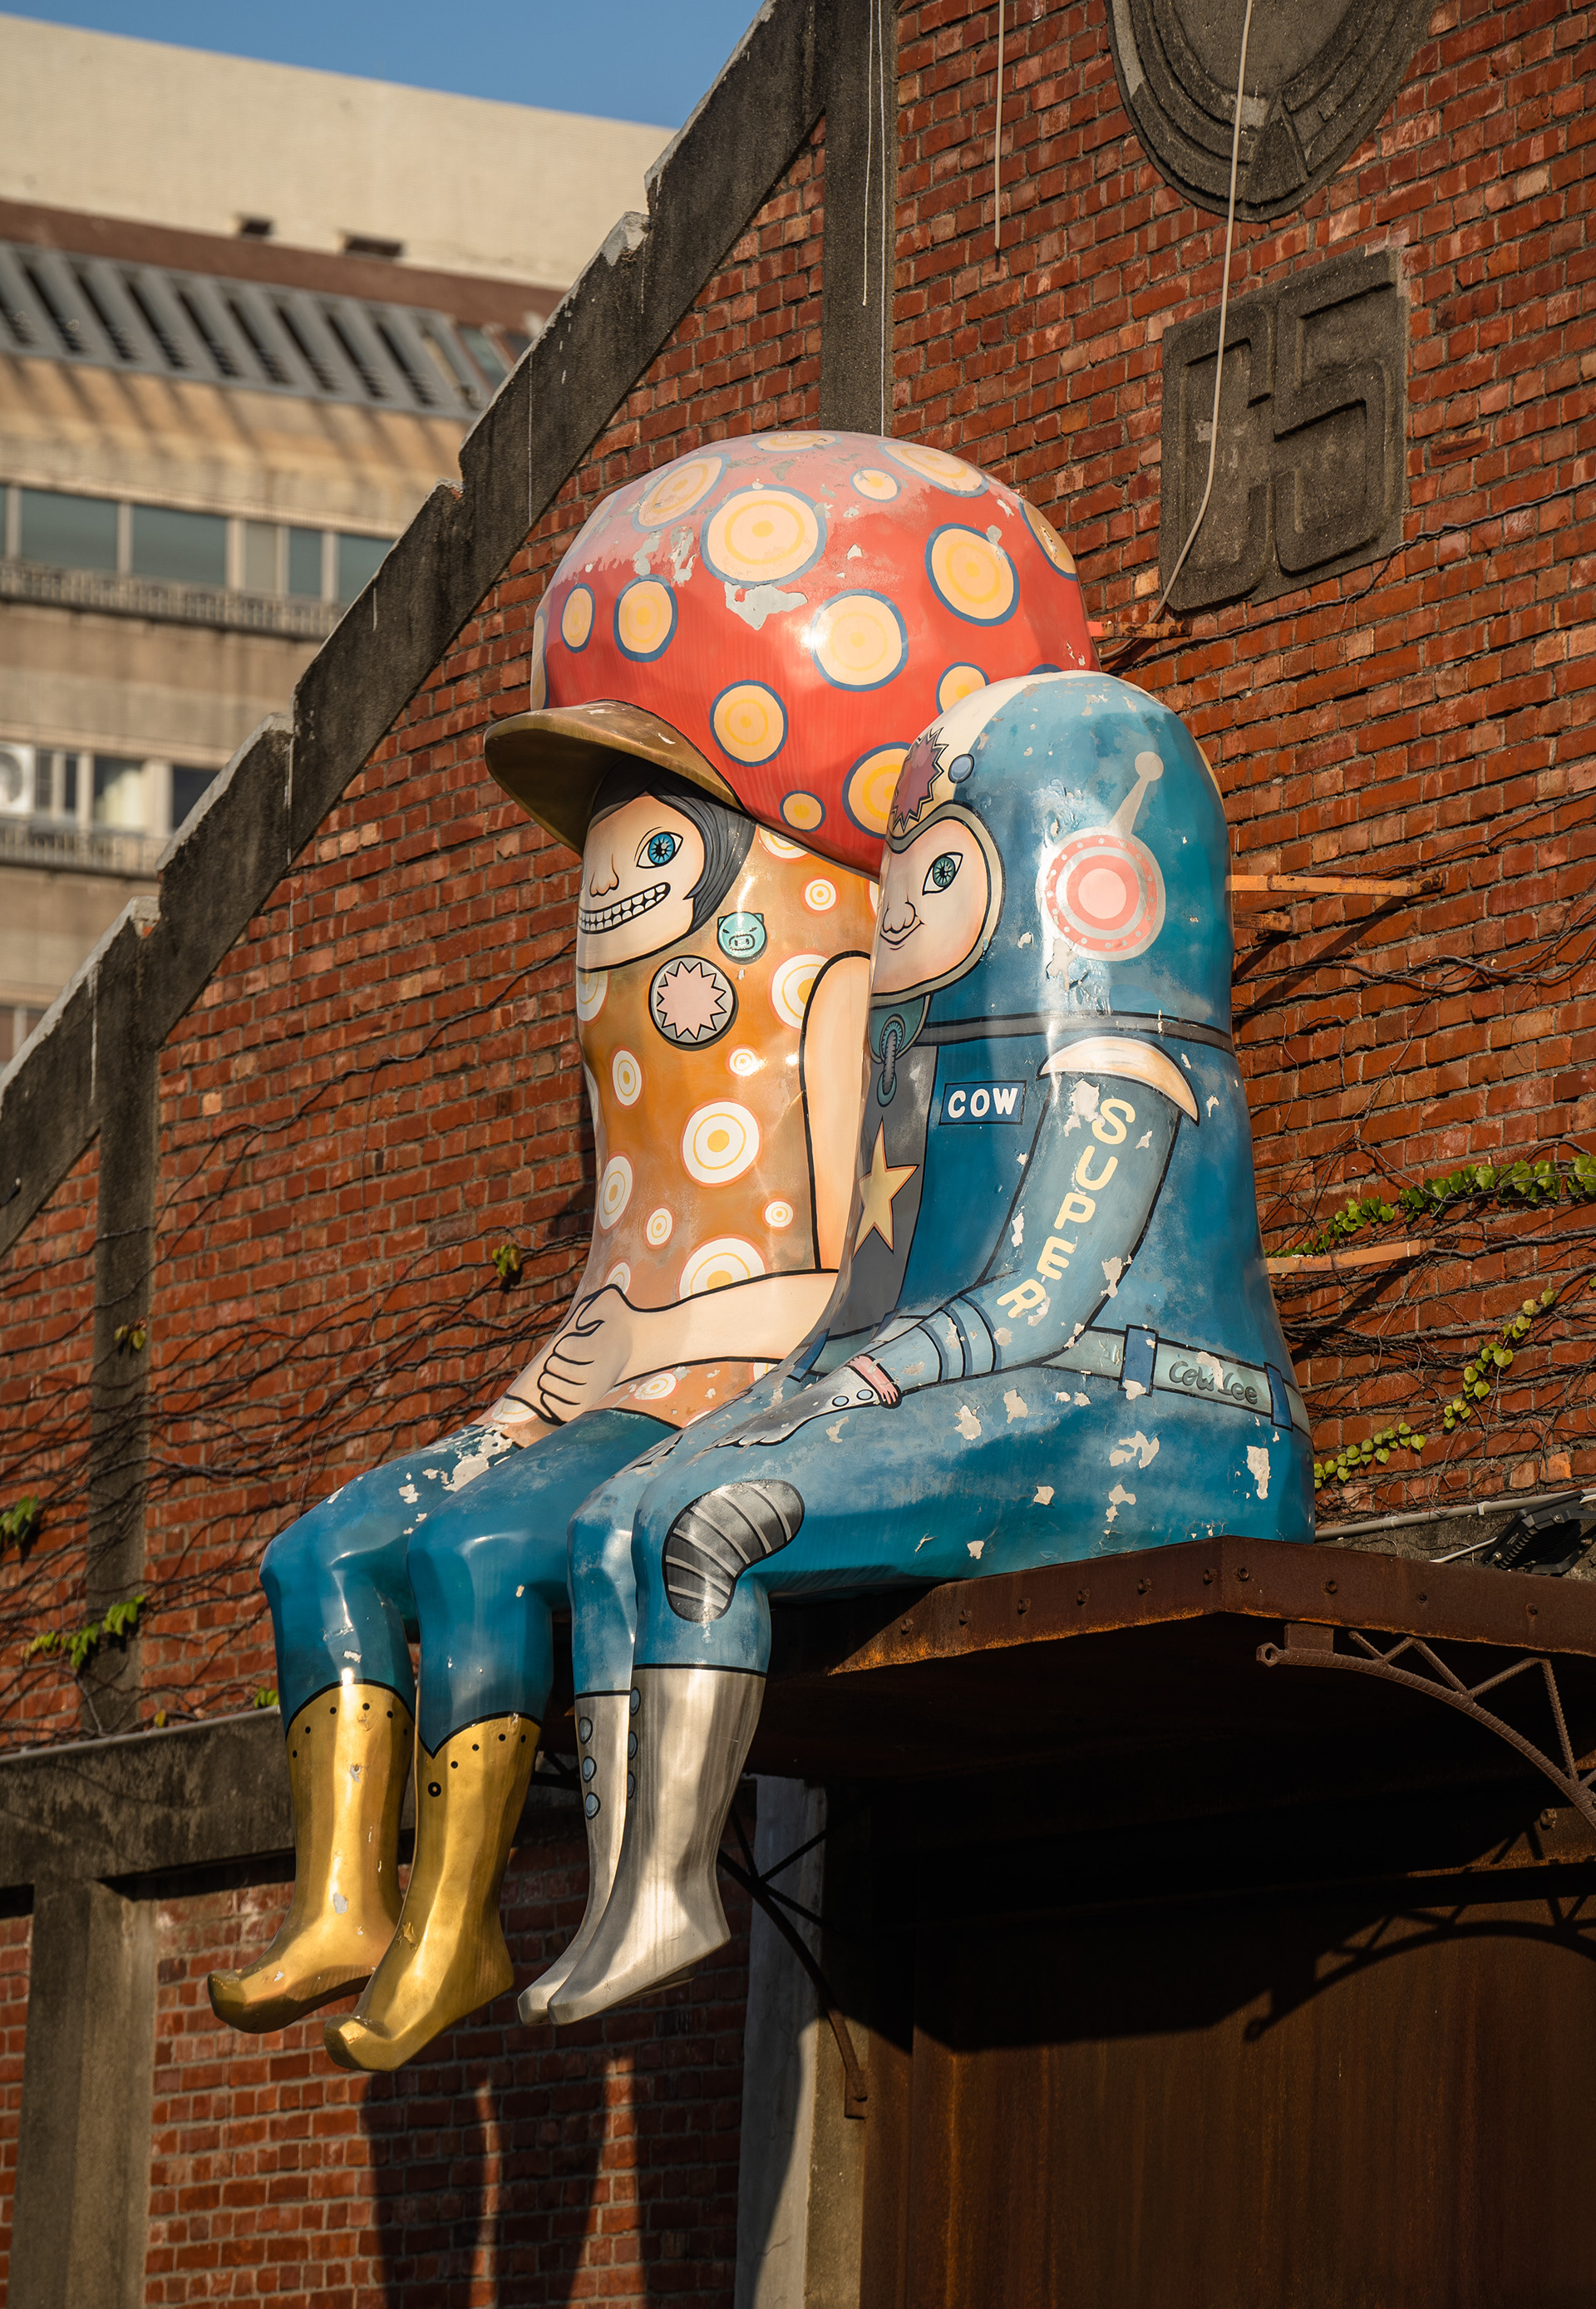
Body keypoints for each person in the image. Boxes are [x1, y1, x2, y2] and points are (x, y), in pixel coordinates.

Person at [208, 427, 1097, 2069]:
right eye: (610, 850)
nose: (613, 896)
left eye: (663, 845)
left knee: (482, 1556)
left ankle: (466, 1920)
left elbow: (851, 1244)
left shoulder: (846, 973)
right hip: (616, 1357)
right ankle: (342, 1896)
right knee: (318, 1552)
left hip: (730, 1376)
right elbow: (618, 1265)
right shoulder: (638, 1028)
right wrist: (514, 1416)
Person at [549, 669, 1315, 2024]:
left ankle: (669, 1888)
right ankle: (625, 1889)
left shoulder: (1117, 1063)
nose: (902, 906)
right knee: (615, 1516)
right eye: (903, 871)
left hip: (1134, 1411)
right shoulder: (917, 1066)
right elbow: (867, 1297)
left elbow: (1046, 1300)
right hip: (962, 1378)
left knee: (712, 1522)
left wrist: (855, 1386)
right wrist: (808, 1387)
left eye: (945, 867)